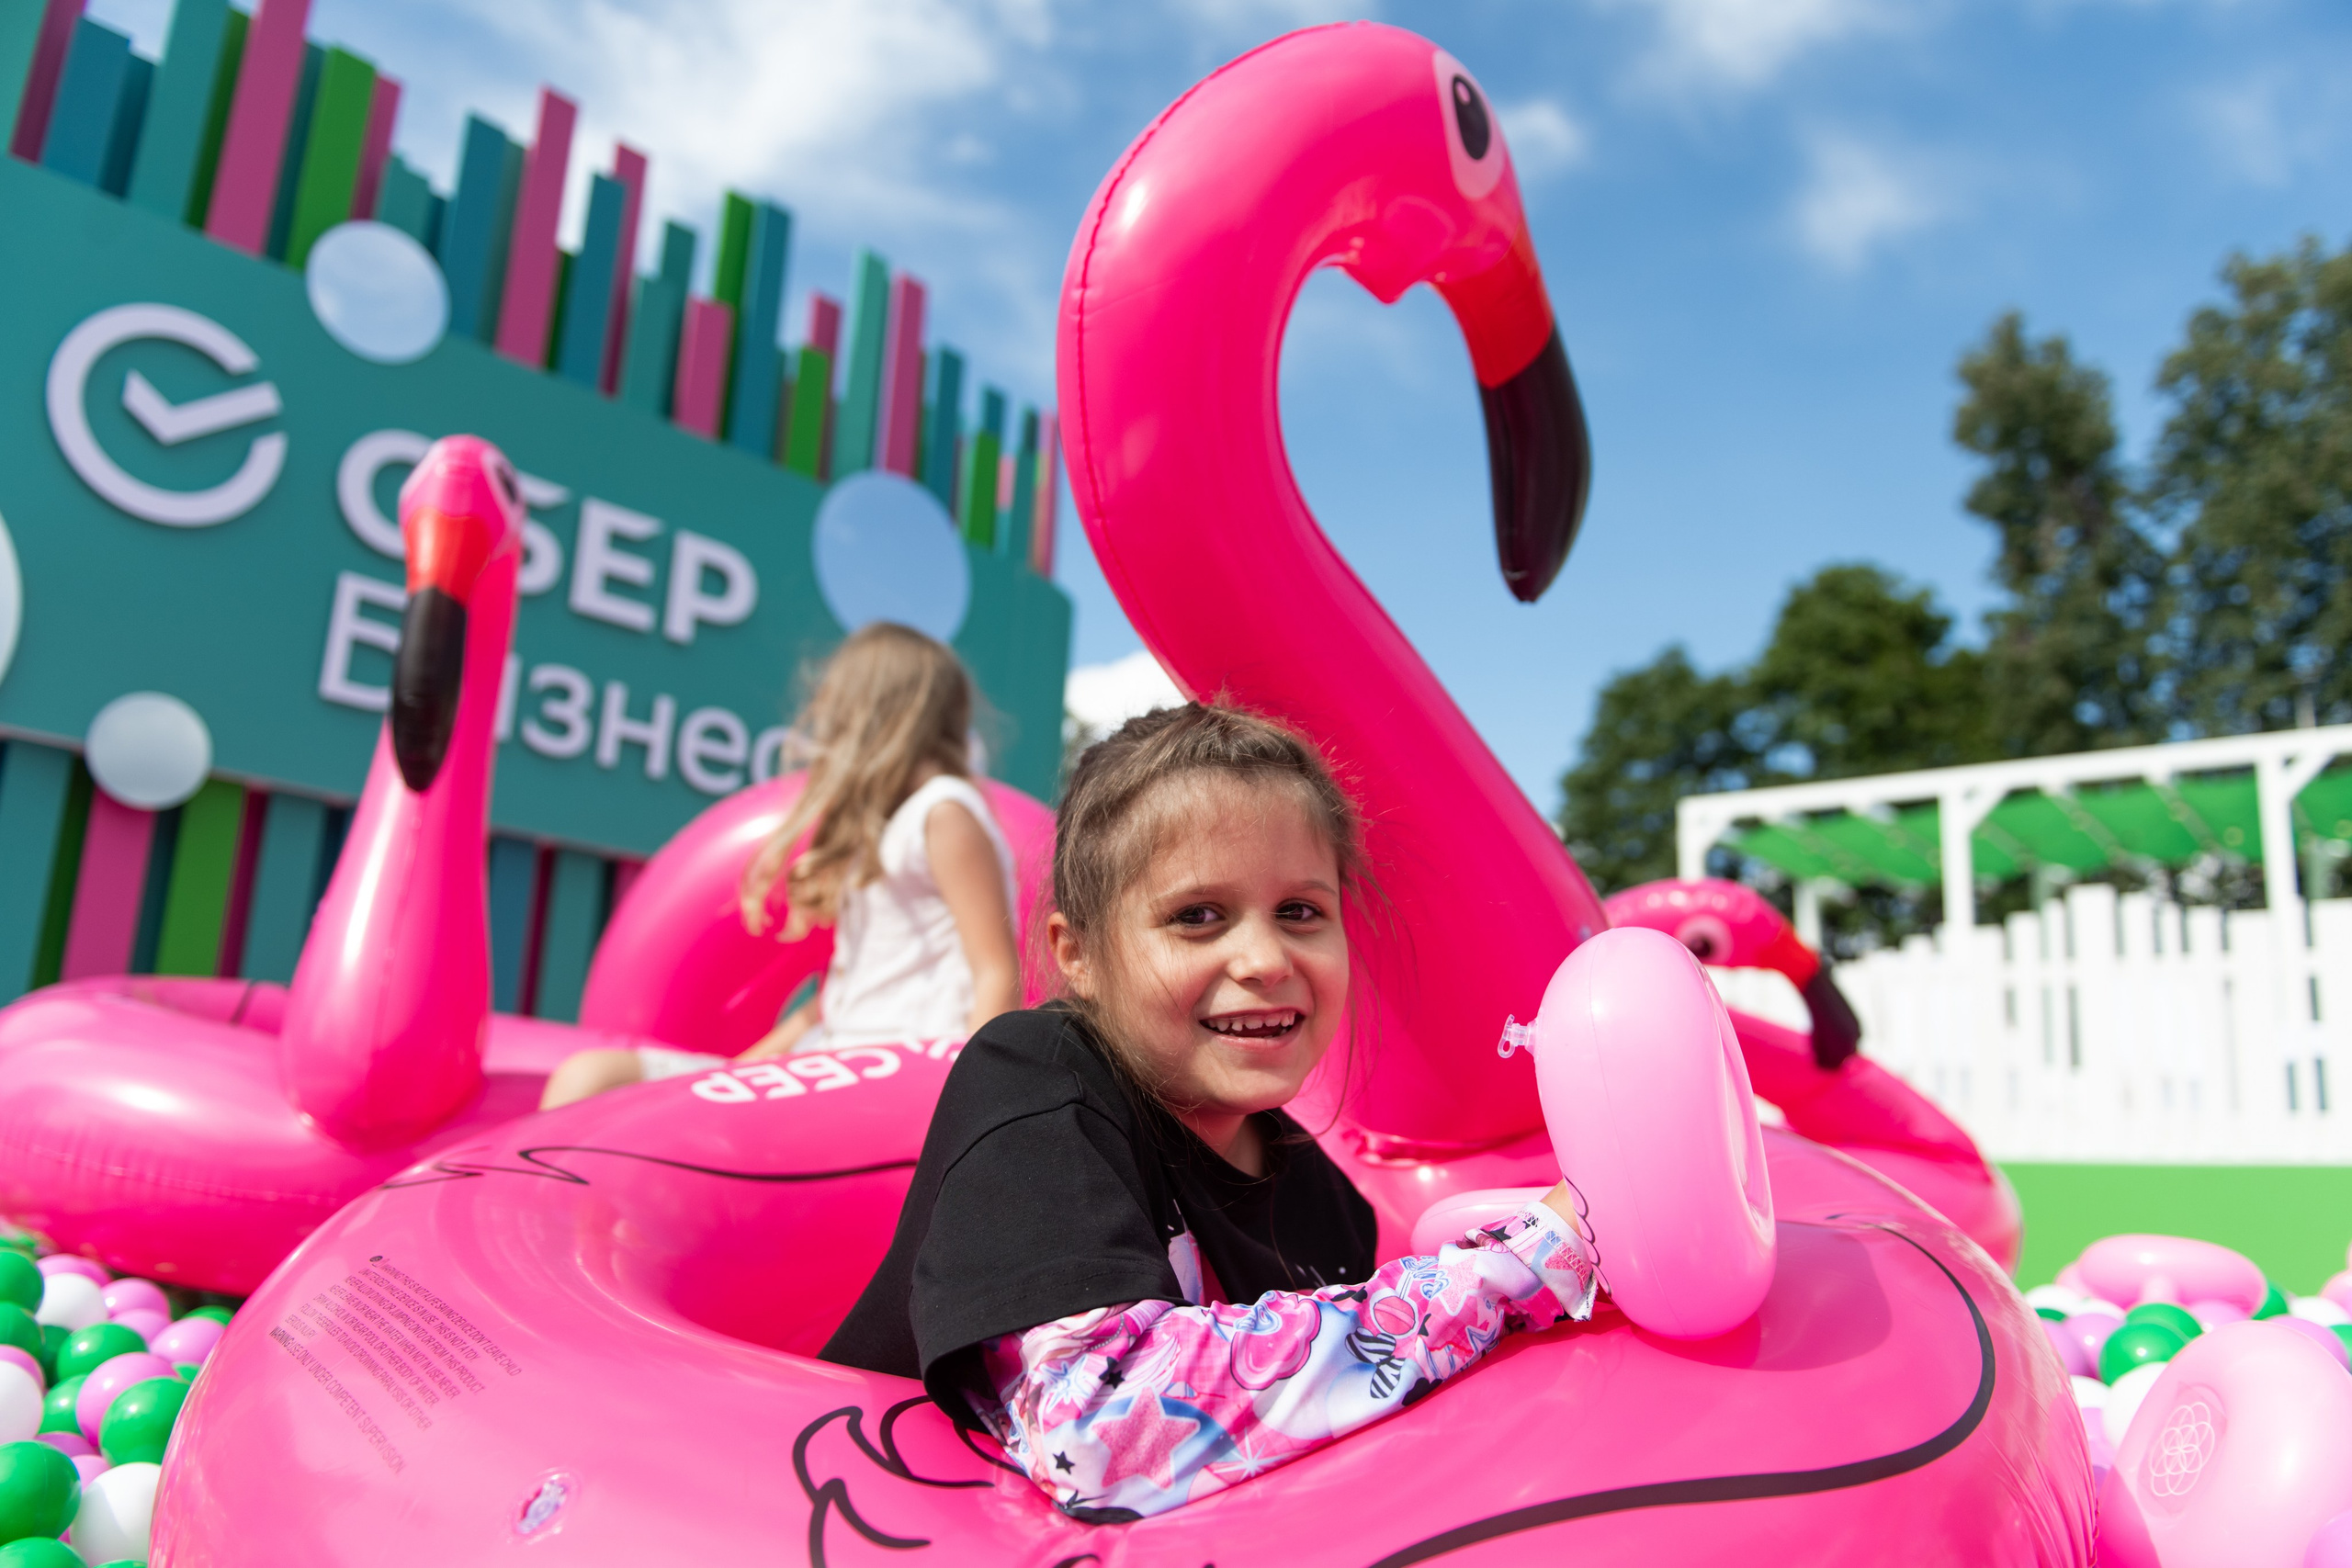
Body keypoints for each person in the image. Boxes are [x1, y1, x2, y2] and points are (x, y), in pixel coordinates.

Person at [821, 703, 1600, 1523]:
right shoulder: (1037, 1076)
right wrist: (1520, 1267)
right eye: (1198, 916)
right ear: (1077, 952)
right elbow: (1096, 1431)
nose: (1265, 961)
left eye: (1301, 911)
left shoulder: (1325, 1201)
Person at [539, 624, 1019, 1110]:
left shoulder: (945, 812)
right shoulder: (887, 824)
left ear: (873, 714)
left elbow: (996, 970)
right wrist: (734, 1076)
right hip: (833, 1059)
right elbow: (832, 1002)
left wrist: (967, 1106)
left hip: (886, 1079)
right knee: (590, 1076)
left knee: (590, 1080)